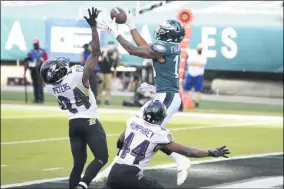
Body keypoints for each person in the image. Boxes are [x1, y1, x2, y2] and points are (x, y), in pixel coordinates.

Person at [97, 15, 191, 185]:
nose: (160, 31)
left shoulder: (166, 48)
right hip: (164, 93)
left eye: (164, 30)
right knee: (138, 128)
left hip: (167, 96)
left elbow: (133, 50)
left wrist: (114, 32)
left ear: (169, 35)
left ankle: (181, 161)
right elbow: (143, 46)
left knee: (145, 131)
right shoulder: (169, 47)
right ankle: (115, 165)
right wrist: (130, 24)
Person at [40, 8, 108, 189]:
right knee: (101, 157)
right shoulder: (77, 75)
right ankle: (83, 184)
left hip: (73, 124)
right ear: (59, 71)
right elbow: (95, 53)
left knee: (78, 164)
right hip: (89, 121)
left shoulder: (52, 86)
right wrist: (94, 27)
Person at [104, 100, 230, 189]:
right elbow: (188, 152)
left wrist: (121, 154)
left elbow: (120, 141)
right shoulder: (159, 134)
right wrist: (211, 152)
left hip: (114, 172)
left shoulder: (133, 122)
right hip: (132, 175)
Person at [23, 39, 48, 103]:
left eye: (36, 44)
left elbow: (46, 61)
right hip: (33, 70)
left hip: (40, 70)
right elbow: (26, 61)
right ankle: (36, 98)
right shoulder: (31, 52)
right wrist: (25, 71)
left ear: (38, 44)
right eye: (34, 44)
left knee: (39, 84)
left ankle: (41, 99)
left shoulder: (42, 52)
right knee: (35, 84)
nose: (35, 45)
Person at [97, 41, 119, 105]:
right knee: (100, 86)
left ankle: (107, 99)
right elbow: (99, 61)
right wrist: (103, 56)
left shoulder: (115, 54)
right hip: (101, 71)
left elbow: (115, 65)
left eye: (112, 45)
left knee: (108, 87)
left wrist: (115, 75)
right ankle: (99, 99)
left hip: (109, 72)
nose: (111, 46)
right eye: (110, 45)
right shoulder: (103, 52)